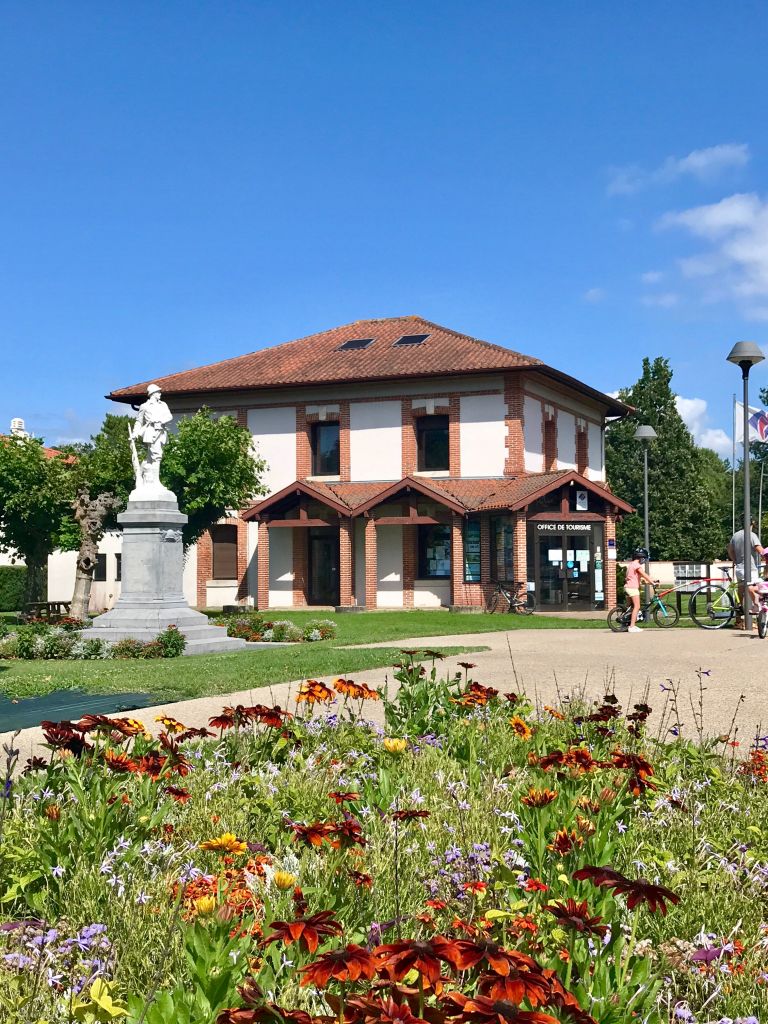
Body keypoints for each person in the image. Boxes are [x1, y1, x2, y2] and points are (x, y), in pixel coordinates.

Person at [728, 519, 764, 626]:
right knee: (757, 589)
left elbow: (730, 550)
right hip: (750, 569)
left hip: (739, 569)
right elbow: (760, 550)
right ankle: (755, 616)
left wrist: (735, 561)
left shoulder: (735, 535)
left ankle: (738, 620)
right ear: (752, 523)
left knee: (740, 593)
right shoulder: (751, 535)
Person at [624, 547, 655, 633]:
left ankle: (625, 623)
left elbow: (639, 578)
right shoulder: (637, 566)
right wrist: (652, 582)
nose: (644, 560)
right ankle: (632, 626)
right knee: (637, 606)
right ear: (641, 557)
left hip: (628, 587)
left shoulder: (631, 565)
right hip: (632, 588)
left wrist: (651, 582)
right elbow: (645, 575)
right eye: (644, 558)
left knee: (631, 607)